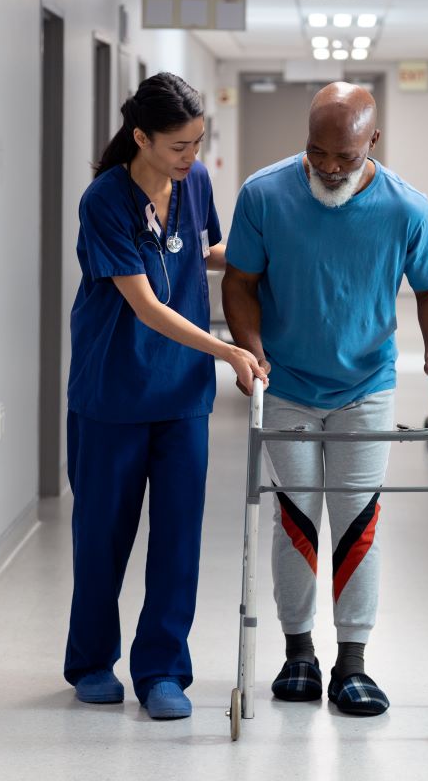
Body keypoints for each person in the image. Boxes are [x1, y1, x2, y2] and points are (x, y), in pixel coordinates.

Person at [222, 81, 428, 717]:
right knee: (297, 519)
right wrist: (250, 349)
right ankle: (298, 652)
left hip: (366, 387)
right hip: (289, 385)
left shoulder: (406, 209)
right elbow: (240, 282)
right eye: (317, 152)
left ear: (371, 142)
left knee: (358, 523)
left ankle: (352, 662)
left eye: (345, 157)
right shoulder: (265, 194)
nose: (328, 167)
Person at [64, 72, 266, 720]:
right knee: (104, 536)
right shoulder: (103, 200)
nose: (192, 158)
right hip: (113, 391)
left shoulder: (194, 183)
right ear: (141, 137)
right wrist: (230, 349)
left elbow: (203, 251)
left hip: (181, 395)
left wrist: (269, 256)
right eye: (178, 146)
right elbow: (147, 305)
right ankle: (93, 661)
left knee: (179, 539)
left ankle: (162, 672)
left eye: (198, 143)